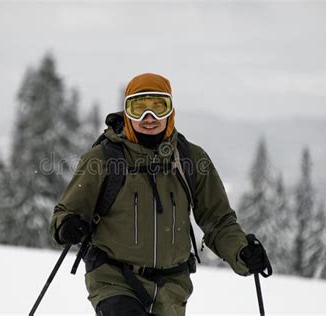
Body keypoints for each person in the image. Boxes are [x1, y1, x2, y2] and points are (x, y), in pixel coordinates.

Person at [50, 73, 271, 316]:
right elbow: (65, 212)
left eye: (158, 106)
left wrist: (241, 252)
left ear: (170, 111)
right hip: (113, 279)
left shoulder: (191, 160)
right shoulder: (103, 159)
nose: (149, 118)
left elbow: (218, 221)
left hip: (172, 288)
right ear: (126, 112)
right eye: (139, 108)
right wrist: (67, 226)